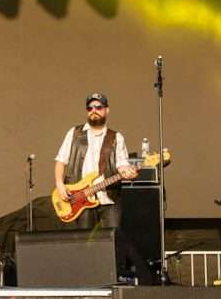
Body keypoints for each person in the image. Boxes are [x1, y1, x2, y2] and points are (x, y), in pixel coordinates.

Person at [53, 93, 154, 284]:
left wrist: (128, 172)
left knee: (114, 239)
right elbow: (61, 160)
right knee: (83, 241)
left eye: (98, 107)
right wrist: (59, 184)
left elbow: (122, 165)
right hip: (80, 197)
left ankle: (112, 280)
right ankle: (85, 280)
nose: (94, 111)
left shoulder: (116, 137)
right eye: (90, 108)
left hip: (109, 197)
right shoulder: (74, 133)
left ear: (106, 110)